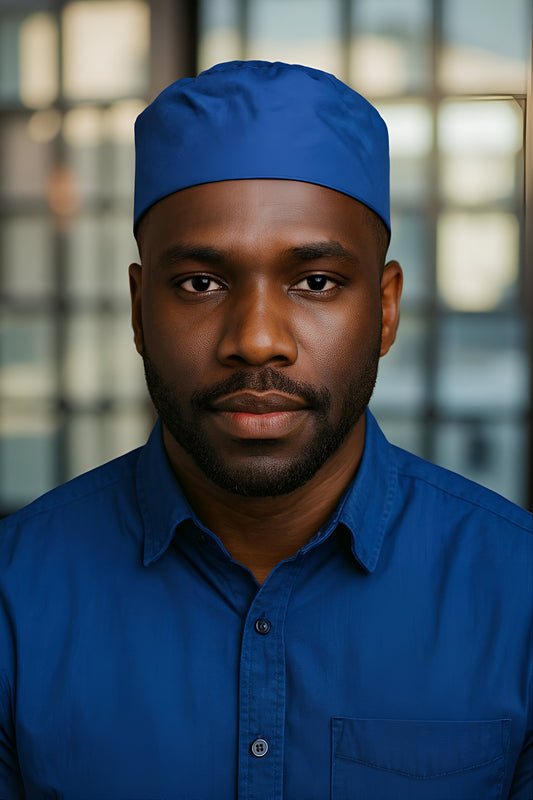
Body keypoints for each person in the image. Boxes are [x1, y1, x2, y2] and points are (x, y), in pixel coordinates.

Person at [0, 60, 531, 800]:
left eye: (314, 282)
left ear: (384, 309)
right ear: (136, 310)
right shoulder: (14, 597)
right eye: (200, 283)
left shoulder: (518, 590)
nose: (254, 340)